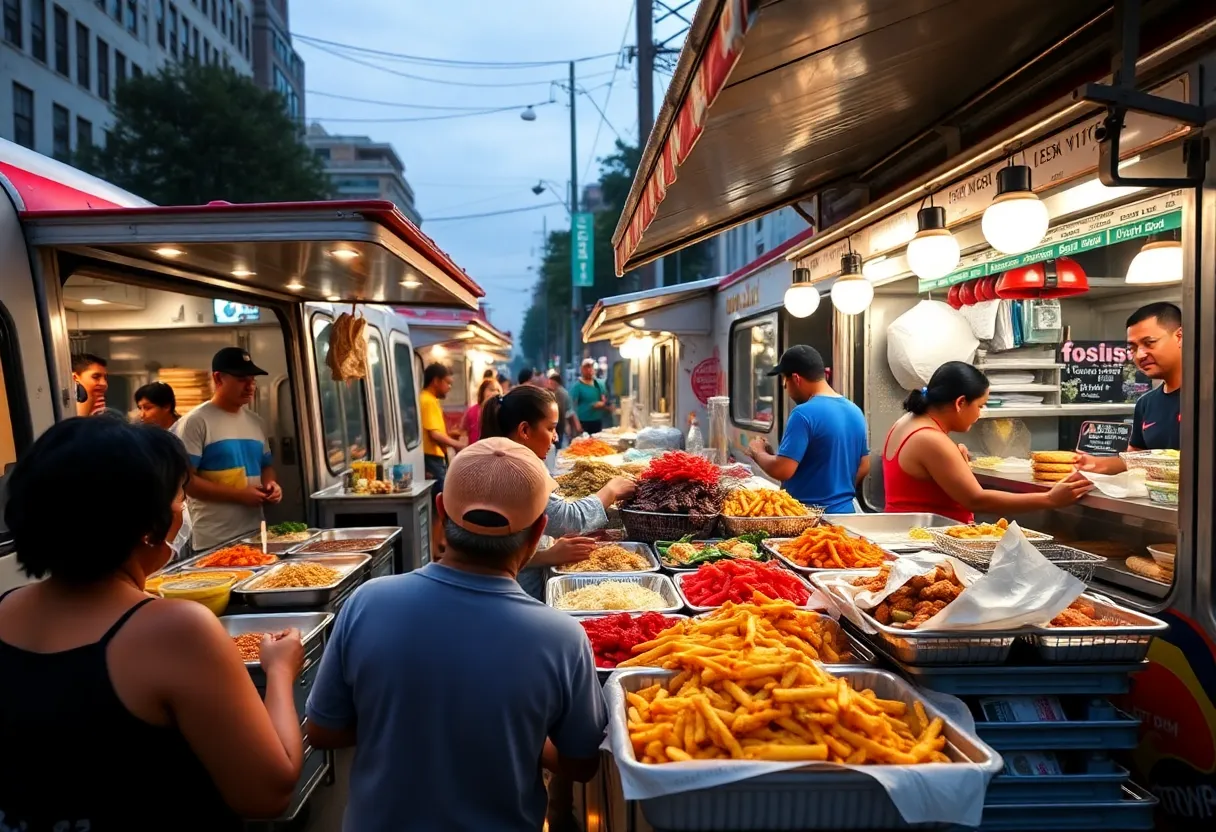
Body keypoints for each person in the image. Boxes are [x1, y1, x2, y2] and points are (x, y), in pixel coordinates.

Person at [0, 418, 305, 830]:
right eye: (179, 500)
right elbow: (269, 792)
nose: (182, 511)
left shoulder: (5, 610)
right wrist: (281, 671)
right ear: (148, 526)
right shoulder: (177, 629)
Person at [304, 437, 607, 832]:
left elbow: (322, 730)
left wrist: (406, 724)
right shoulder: (562, 637)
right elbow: (582, 763)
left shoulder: (367, 603)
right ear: (538, 534)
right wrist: (518, 737)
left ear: (440, 512)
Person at [884, 361, 1093, 523]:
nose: (981, 414)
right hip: (924, 543)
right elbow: (976, 499)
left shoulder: (907, 422)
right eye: (980, 406)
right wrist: (1049, 499)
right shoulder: (931, 438)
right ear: (960, 403)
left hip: (910, 534)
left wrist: (953, 458)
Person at [480, 386, 635, 600]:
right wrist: (611, 490)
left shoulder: (504, 457)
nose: (555, 438)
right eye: (551, 428)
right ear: (524, 430)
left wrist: (545, 555)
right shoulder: (520, 470)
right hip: (514, 591)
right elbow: (566, 519)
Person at [176, 347, 282, 551]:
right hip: (214, 540)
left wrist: (272, 486)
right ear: (218, 379)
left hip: (255, 536)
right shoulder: (196, 422)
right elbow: (187, 482)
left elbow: (266, 466)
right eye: (242, 379)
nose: (250, 386)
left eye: (253, 380)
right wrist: (240, 495)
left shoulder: (256, 422)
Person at [747, 346, 869, 514]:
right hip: (846, 513)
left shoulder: (803, 413)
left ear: (796, 378)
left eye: (784, 381)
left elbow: (783, 469)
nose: (785, 387)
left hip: (809, 518)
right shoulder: (855, 410)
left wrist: (757, 451)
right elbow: (864, 464)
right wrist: (836, 490)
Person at [1079, 302, 1183, 474]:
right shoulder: (1146, 403)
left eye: (1149, 343)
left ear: (1179, 337)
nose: (1140, 355)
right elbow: (1136, 459)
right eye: (1132, 348)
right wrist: (1094, 465)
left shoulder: (1205, 398)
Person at [570, 358, 608, 436]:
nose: (589, 370)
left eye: (591, 367)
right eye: (586, 367)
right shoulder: (578, 386)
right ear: (582, 369)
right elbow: (571, 406)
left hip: (597, 422)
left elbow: (604, 399)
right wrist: (577, 424)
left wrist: (602, 404)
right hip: (583, 422)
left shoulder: (599, 384)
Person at [460, 377, 501, 446]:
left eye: (498, 390)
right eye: (492, 390)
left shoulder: (501, 410)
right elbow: (464, 431)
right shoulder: (471, 411)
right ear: (482, 391)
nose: (495, 393)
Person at [548, 370, 577, 447]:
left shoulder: (561, 394)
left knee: (557, 445)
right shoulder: (551, 392)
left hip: (559, 425)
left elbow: (569, 412)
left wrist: (571, 427)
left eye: (551, 382)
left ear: (556, 383)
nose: (550, 384)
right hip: (556, 426)